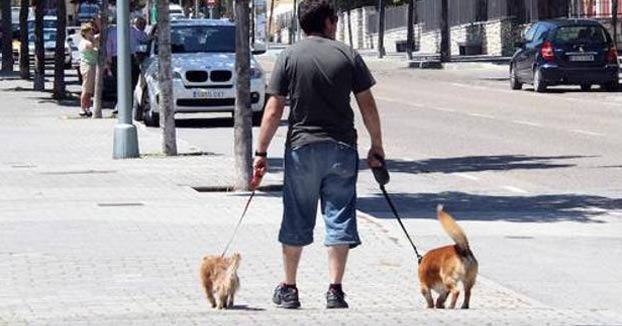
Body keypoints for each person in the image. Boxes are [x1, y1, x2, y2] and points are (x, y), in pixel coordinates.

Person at [252, 0, 384, 310]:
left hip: (302, 149)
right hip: (341, 150)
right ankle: (335, 291)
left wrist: (261, 152)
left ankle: (289, 288)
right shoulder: (347, 55)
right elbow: (367, 105)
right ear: (326, 22)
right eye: (334, 19)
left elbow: (273, 110)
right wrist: (376, 145)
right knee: (339, 216)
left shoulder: (289, 57)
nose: (336, 24)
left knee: (297, 215)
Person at [78, 23, 99, 117]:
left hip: (92, 65)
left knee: (90, 89)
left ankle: (87, 107)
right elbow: (95, 46)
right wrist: (95, 39)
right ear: (85, 33)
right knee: (86, 88)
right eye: (90, 32)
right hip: (87, 66)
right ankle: (82, 108)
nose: (91, 33)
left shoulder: (89, 40)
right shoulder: (86, 43)